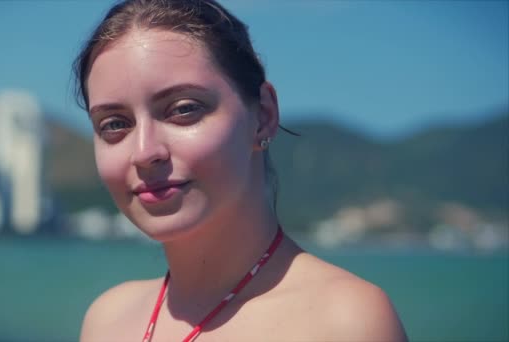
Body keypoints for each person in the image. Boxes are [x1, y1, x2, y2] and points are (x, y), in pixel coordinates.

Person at [74, 0, 407, 341]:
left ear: (263, 115)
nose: (144, 152)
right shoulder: (108, 320)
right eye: (114, 124)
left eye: (183, 109)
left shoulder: (347, 322)